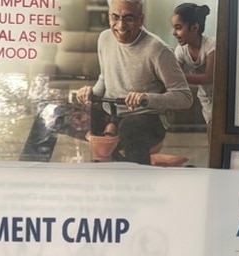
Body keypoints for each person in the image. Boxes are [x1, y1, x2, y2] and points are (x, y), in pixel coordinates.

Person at [76, 0, 192, 165]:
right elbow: (105, 77)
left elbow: (185, 97)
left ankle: (139, 177)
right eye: (115, 17)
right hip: (112, 114)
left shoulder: (158, 50)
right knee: (66, 115)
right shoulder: (104, 38)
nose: (121, 26)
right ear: (108, 16)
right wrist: (90, 93)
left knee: (128, 128)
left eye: (129, 18)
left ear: (140, 19)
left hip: (147, 118)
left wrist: (147, 98)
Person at [172, 3, 215, 126]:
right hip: (205, 97)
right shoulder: (181, 50)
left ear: (194, 28)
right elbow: (172, 76)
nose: (174, 32)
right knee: (211, 128)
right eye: (174, 28)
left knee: (216, 129)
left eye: (178, 28)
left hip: (221, 95)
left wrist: (177, 76)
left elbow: (208, 78)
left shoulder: (211, 45)